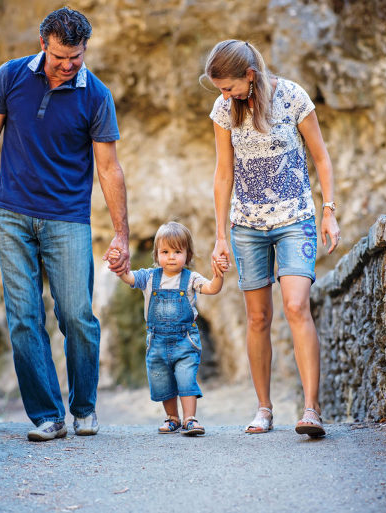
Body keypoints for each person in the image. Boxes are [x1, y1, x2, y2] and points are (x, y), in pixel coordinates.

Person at [0, 7, 130, 442]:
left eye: (76, 56)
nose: (68, 65)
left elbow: (109, 169)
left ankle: (84, 408)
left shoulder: (96, 96)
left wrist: (121, 233)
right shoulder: (10, 77)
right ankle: (46, 416)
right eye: (60, 56)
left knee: (76, 316)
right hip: (12, 214)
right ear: (43, 45)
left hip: (68, 219)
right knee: (23, 317)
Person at [203, 39, 341, 437]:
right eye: (219, 90)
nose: (224, 96)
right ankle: (263, 409)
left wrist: (328, 210)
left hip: (296, 220)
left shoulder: (294, 97)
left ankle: (311, 409)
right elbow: (223, 173)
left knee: (297, 306)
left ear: (249, 75)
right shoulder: (223, 110)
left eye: (228, 87)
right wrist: (219, 236)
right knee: (257, 317)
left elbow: (321, 157)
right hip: (246, 227)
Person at [109, 222, 229, 436]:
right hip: (156, 342)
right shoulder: (149, 277)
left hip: (185, 341)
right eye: (165, 252)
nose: (171, 257)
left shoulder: (191, 278)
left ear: (188, 254)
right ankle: (173, 418)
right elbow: (129, 278)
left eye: (177, 251)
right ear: (156, 254)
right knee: (161, 379)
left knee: (186, 378)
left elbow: (212, 288)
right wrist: (119, 267)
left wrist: (218, 274)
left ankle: (190, 419)